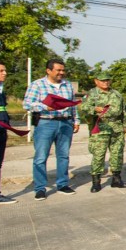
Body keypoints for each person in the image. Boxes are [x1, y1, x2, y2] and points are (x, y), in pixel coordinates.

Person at [23, 58, 81, 199]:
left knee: (63, 156)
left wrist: (76, 120)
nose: (61, 73)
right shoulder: (37, 85)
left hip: (65, 123)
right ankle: (40, 188)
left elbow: (72, 104)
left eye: (63, 70)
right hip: (46, 123)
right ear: (48, 70)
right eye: (58, 70)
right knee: (41, 157)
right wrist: (44, 106)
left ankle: (62, 184)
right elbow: (27, 104)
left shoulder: (67, 85)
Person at [79, 71, 126, 192]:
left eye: (107, 80)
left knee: (117, 154)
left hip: (116, 128)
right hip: (100, 128)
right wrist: (94, 108)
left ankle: (116, 179)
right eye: (102, 80)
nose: (105, 82)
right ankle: (96, 182)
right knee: (99, 155)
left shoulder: (116, 94)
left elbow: (123, 111)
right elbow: (83, 108)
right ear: (96, 81)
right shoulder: (92, 94)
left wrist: (124, 125)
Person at [0, 60, 17, 209]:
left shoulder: (0, 89)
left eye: (5, 70)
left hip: (1, 130)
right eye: (1, 70)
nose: (5, 73)